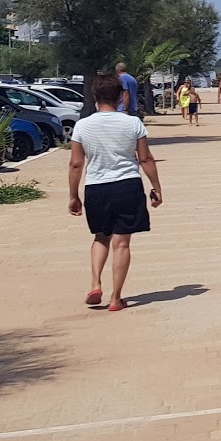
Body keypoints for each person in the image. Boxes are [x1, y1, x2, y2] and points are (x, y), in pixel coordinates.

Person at [69, 74, 162, 311]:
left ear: (94, 97)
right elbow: (145, 158)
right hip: (127, 185)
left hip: (96, 188)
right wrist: (156, 188)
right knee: (121, 244)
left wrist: (73, 195)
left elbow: (76, 164)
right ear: (121, 96)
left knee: (101, 236)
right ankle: (115, 298)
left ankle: (95, 283)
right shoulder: (132, 123)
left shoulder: (82, 126)